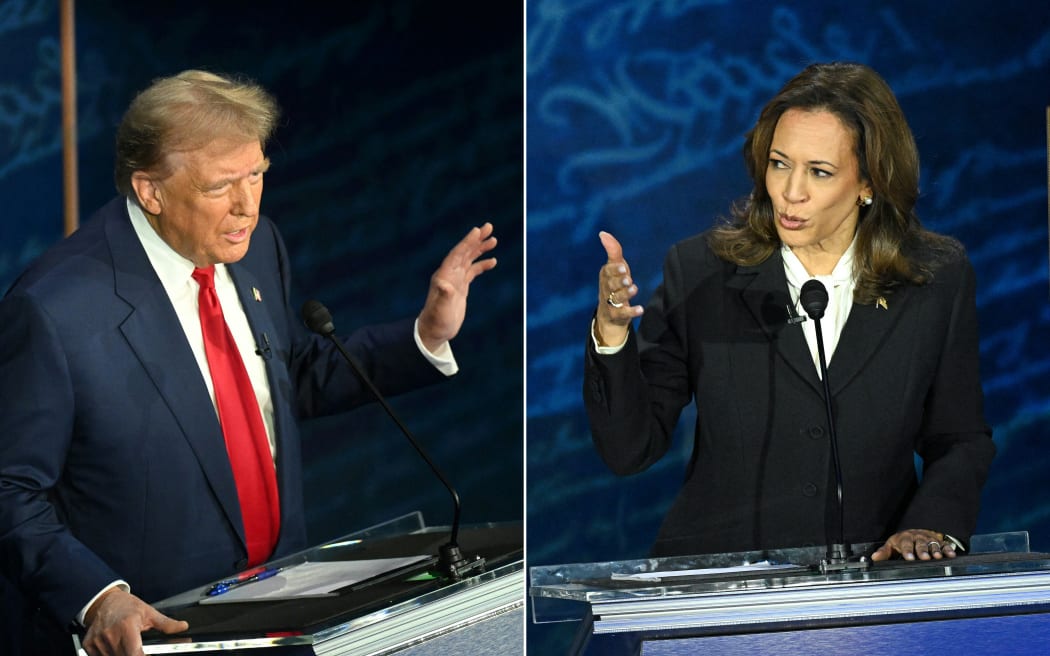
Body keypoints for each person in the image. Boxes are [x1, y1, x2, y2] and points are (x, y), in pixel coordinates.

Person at [0, 70, 497, 656]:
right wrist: (97, 596)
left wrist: (425, 335)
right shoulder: (54, 309)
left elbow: (288, 375)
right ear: (150, 190)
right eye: (219, 186)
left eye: (257, 175)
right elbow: (9, 487)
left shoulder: (256, 247)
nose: (246, 206)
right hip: (156, 633)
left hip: (281, 617)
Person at [585, 62, 995, 563]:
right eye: (780, 164)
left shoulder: (934, 277)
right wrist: (611, 334)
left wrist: (931, 526)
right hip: (723, 586)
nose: (791, 192)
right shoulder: (701, 272)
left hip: (872, 582)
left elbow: (959, 437)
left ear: (869, 182)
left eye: (819, 172)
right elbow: (631, 450)